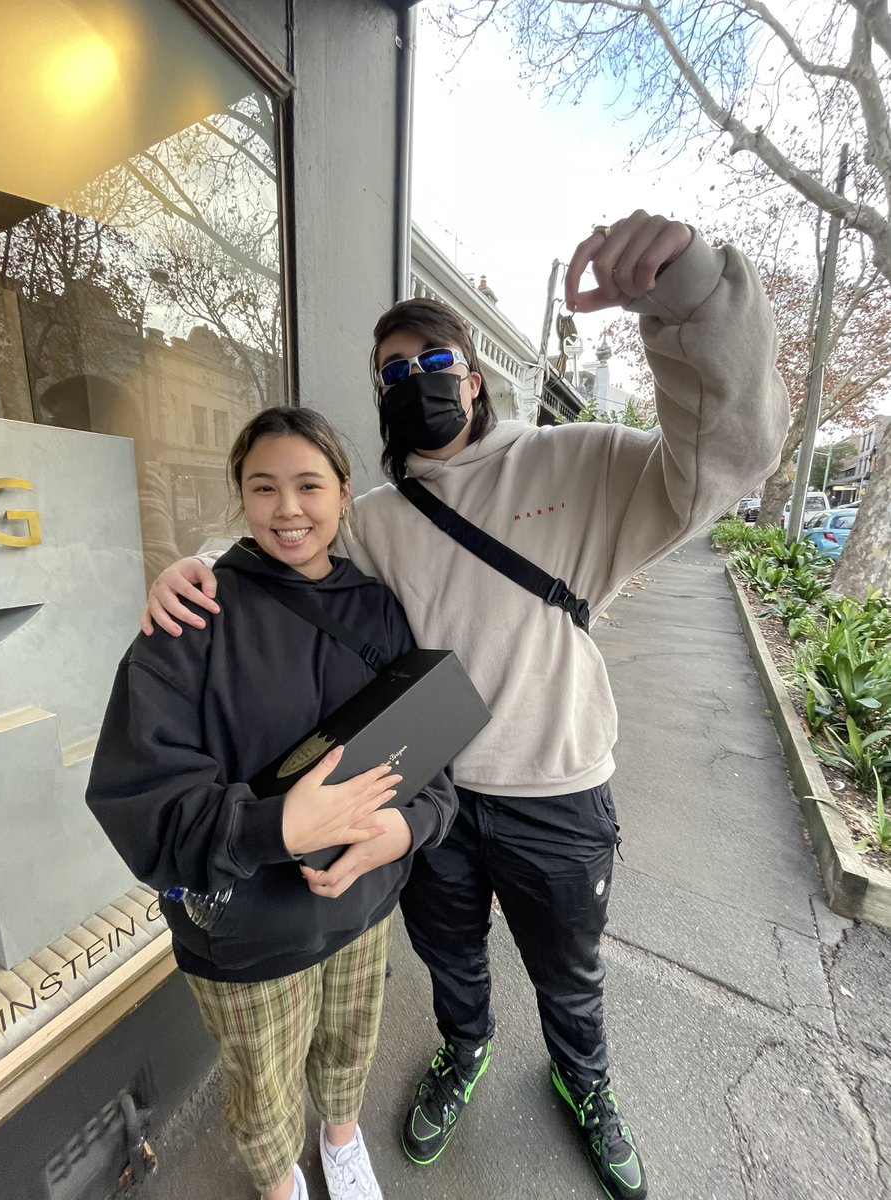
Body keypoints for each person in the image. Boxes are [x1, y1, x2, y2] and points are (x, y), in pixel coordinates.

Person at [141, 211, 791, 1200]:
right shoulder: (374, 521)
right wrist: (187, 569)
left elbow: (727, 460)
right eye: (393, 373)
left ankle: (586, 1082)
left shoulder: (577, 465)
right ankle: (466, 1047)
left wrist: (692, 293)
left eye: (434, 362)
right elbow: (283, 536)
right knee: (450, 959)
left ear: (476, 378)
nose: (417, 380)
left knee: (569, 971)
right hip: (427, 801)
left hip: (557, 792)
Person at [87, 406, 458, 1200]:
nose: (288, 508)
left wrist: (403, 831)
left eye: (309, 486)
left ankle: (342, 1139)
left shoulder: (379, 610)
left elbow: (432, 762)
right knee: (261, 1089)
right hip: (248, 938)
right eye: (264, 487)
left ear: (345, 493)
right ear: (241, 497)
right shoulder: (192, 614)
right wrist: (276, 827)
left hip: (362, 907)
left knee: (350, 1046)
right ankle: (278, 1184)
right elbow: (137, 794)